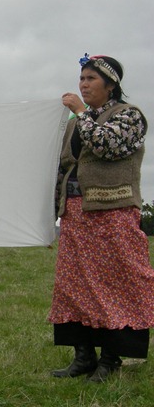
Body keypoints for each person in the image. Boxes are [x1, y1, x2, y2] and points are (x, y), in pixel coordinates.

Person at [49, 54, 154, 383]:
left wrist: (82, 112)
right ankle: (83, 357)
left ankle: (111, 359)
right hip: (77, 215)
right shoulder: (72, 126)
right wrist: (54, 208)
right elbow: (64, 166)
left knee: (115, 284)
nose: (83, 84)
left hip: (114, 213)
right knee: (74, 285)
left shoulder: (129, 116)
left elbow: (107, 145)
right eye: (82, 78)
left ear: (111, 86)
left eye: (91, 79)